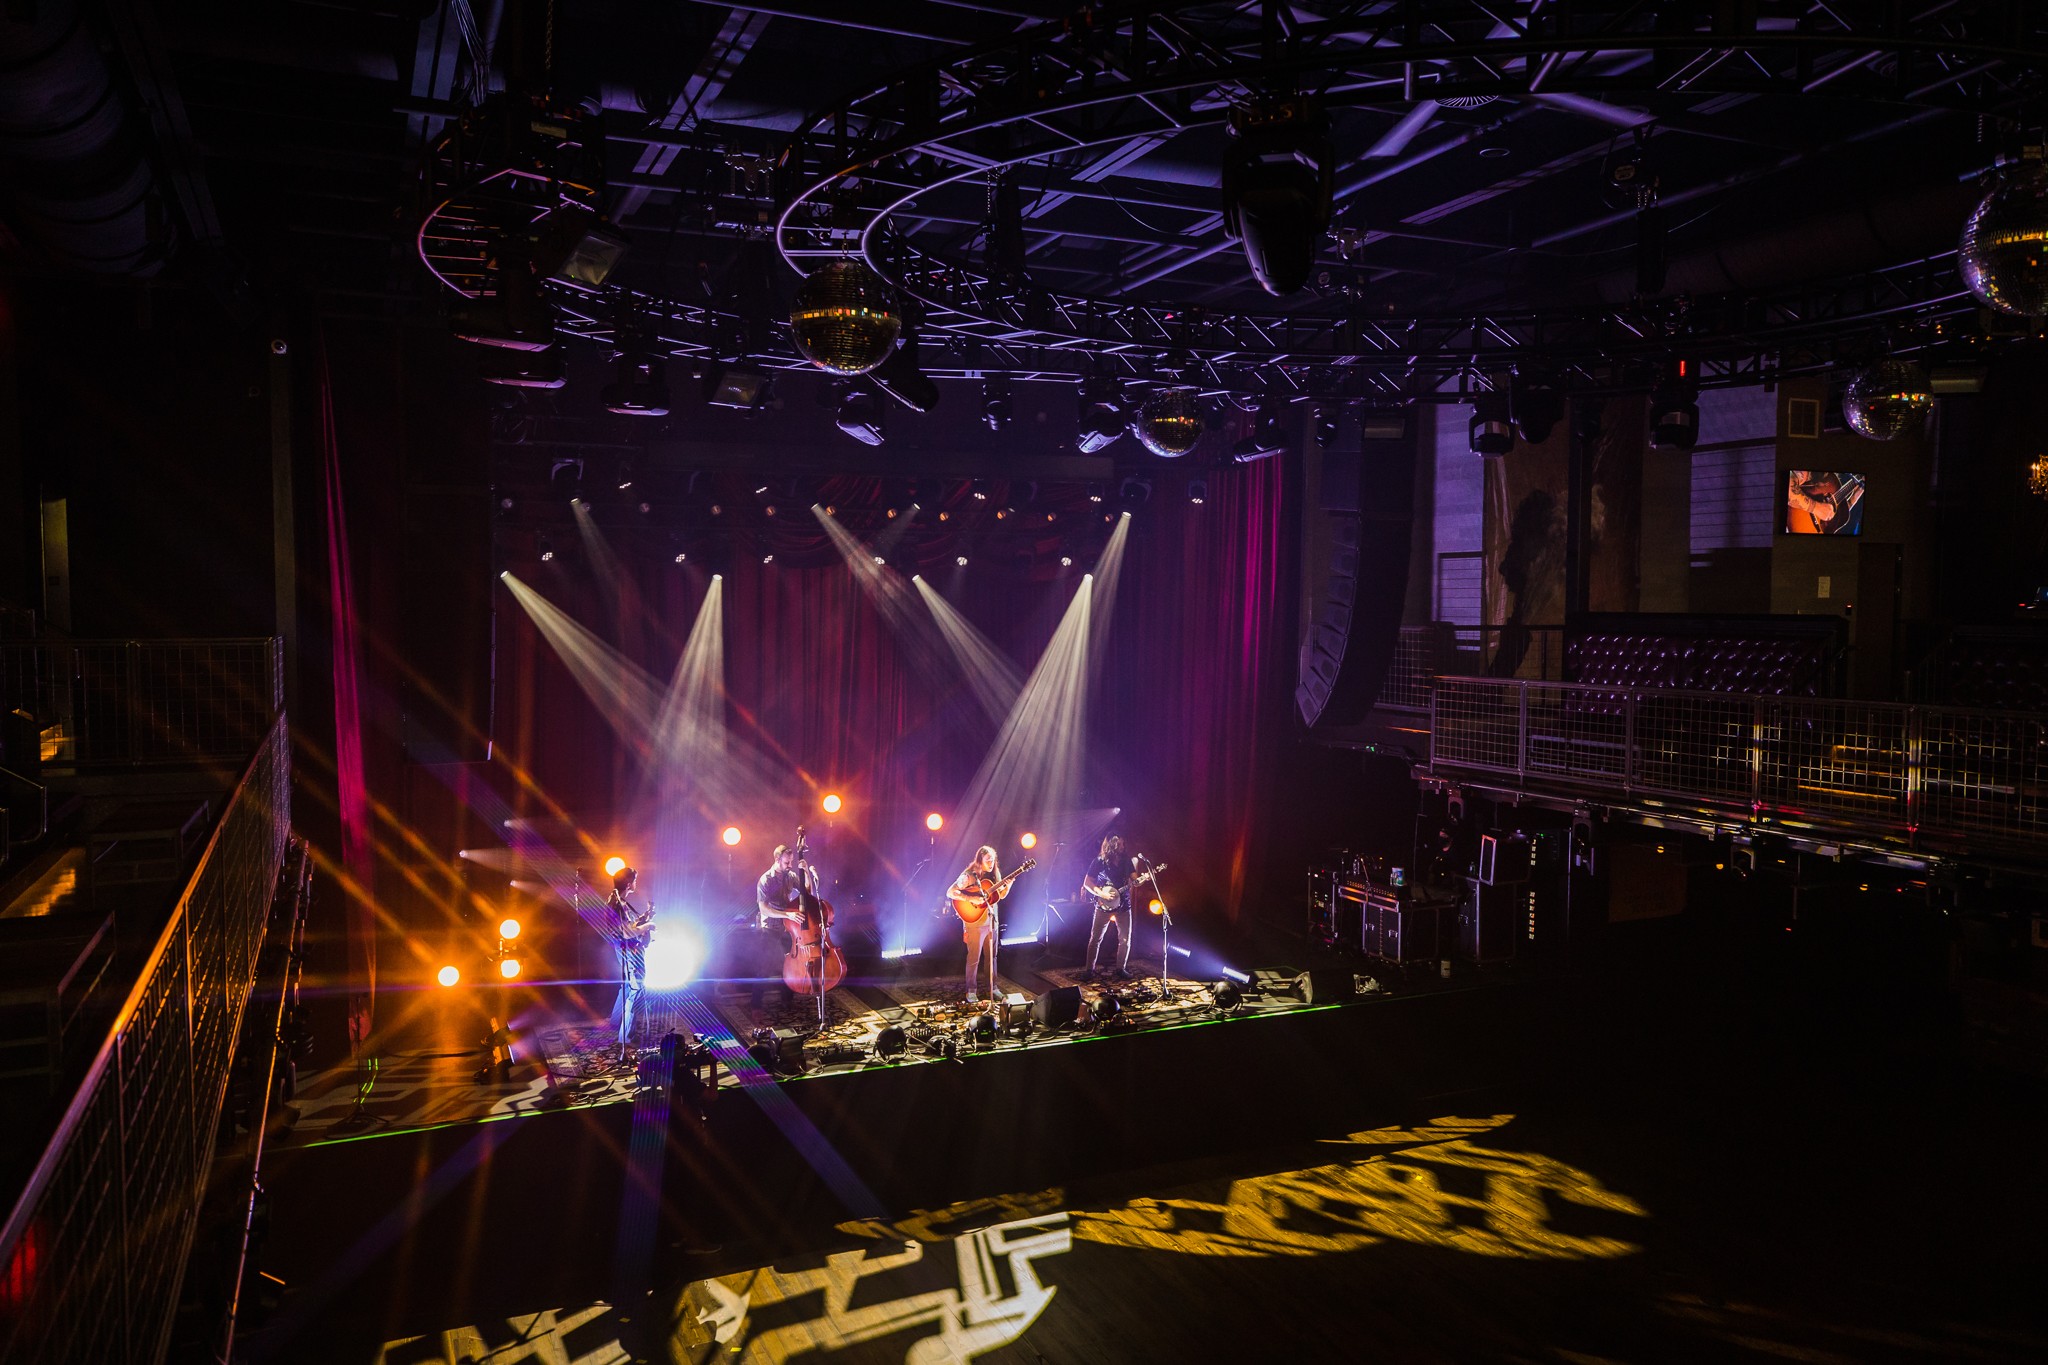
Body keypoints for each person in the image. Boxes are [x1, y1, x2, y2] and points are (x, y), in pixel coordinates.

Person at [607, 867, 654, 1064]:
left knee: (628, 986)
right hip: (629, 952)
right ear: (629, 883)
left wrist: (646, 916)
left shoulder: (618, 900)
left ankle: (615, 1022)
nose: (636, 883)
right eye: (635, 880)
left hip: (627, 950)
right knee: (635, 989)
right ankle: (625, 1037)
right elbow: (626, 933)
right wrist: (648, 926)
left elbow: (628, 927)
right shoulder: (618, 903)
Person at [1081, 833, 1139, 981]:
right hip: (1103, 905)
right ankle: (1089, 969)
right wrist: (1102, 894)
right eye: (1119, 844)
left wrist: (1140, 880)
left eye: (1123, 844)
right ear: (1111, 845)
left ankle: (1121, 968)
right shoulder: (1099, 861)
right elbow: (1087, 883)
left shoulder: (1126, 860)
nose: (1122, 847)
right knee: (1095, 938)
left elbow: (1134, 879)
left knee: (1125, 938)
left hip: (1123, 904)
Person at [953, 845, 1002, 1003]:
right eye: (988, 860)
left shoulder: (994, 876)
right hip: (975, 924)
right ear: (979, 860)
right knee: (974, 958)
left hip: (991, 922)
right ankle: (971, 990)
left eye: (993, 860)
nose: (991, 863)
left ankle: (993, 987)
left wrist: (1009, 885)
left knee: (992, 957)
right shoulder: (969, 875)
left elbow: (1001, 896)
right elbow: (951, 892)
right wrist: (971, 899)